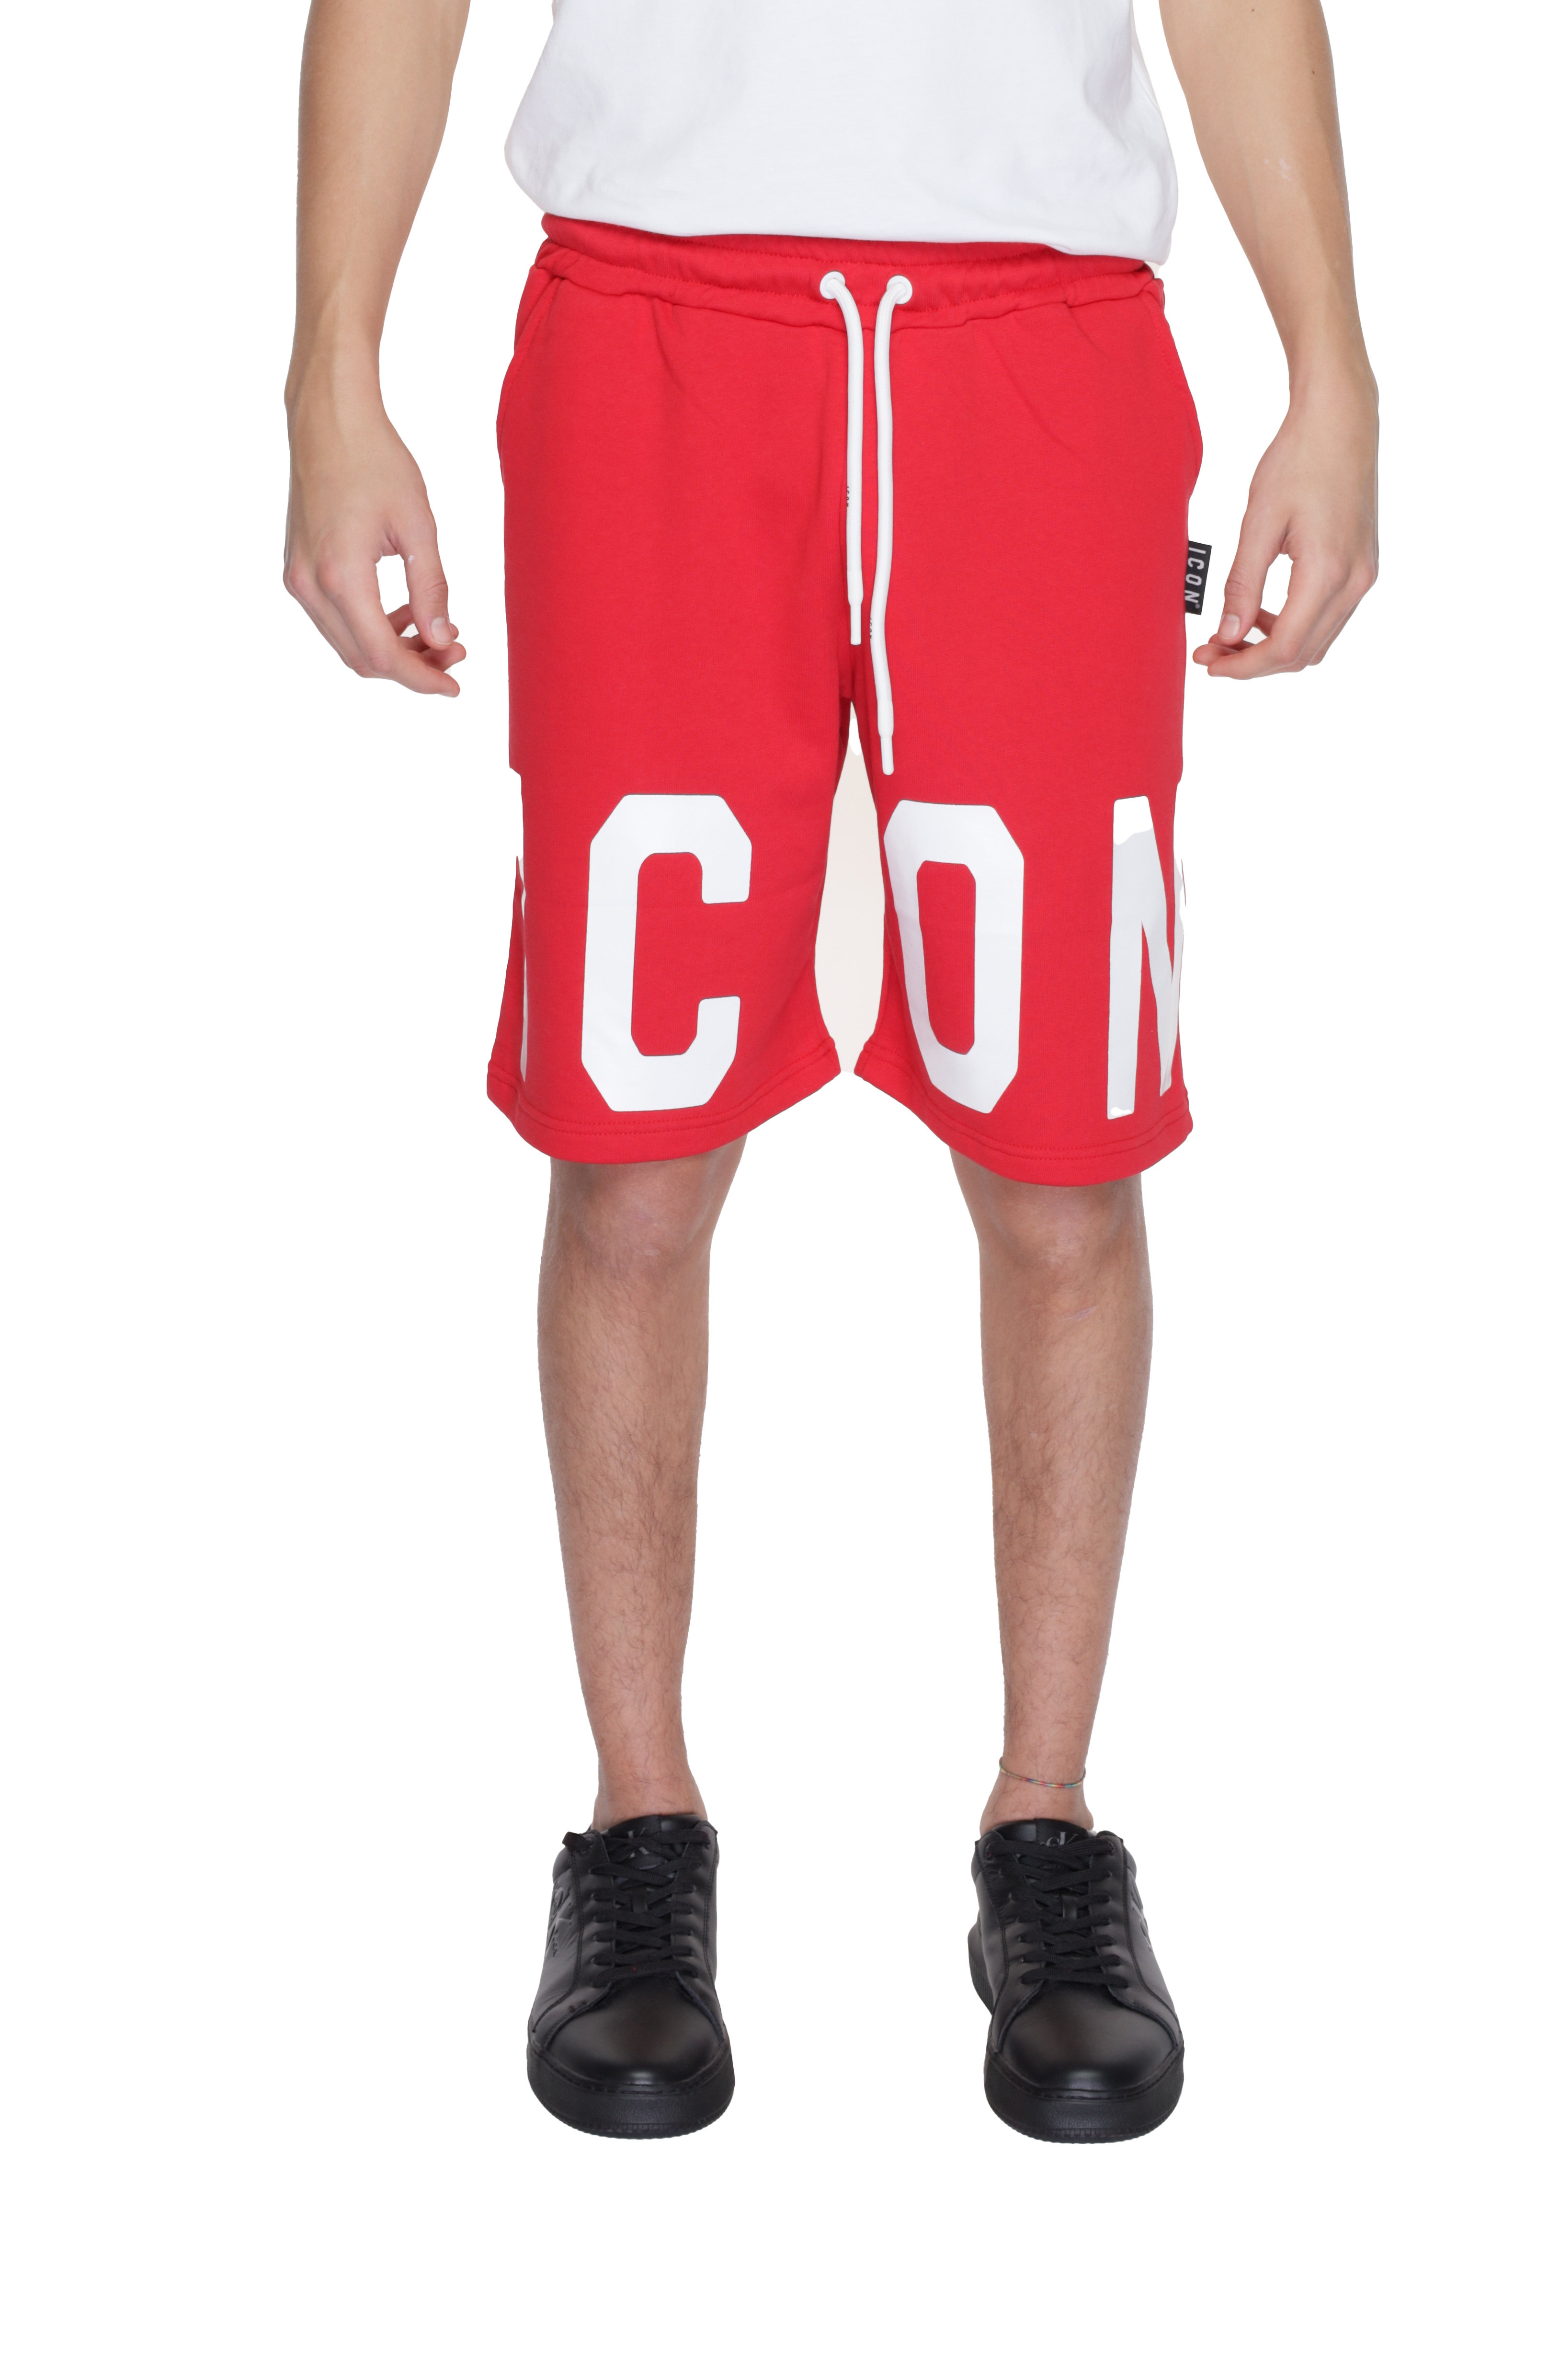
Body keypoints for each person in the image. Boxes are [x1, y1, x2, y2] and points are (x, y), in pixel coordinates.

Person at [284, 0, 1377, 2143]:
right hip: (656, 332)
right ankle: (637, 1835)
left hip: (1036, 344)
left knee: (1060, 1134)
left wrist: (1328, 365)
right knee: (633, 1131)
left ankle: (1045, 1832)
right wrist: (332, 374)